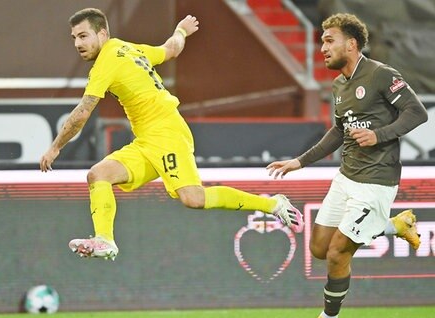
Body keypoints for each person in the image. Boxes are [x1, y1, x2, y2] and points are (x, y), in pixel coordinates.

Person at [40, 8, 303, 261]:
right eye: (74, 37)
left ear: (102, 35)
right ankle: (105, 239)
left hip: (167, 133)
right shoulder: (132, 49)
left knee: (194, 198)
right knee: (99, 174)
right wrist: (181, 31)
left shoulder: (106, 61)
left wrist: (55, 147)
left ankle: (272, 205)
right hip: (146, 140)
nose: (77, 43)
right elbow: (170, 49)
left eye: (83, 35)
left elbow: (83, 112)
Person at [266, 13, 428, 318]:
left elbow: (417, 112)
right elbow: (338, 131)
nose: (323, 48)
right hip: (346, 178)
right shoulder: (339, 85)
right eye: (322, 42)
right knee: (318, 248)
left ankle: (329, 317)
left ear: (351, 44)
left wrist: (379, 134)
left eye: (330, 41)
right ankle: (396, 225)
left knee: (338, 252)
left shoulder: (381, 74)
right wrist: (300, 161)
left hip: (377, 181)